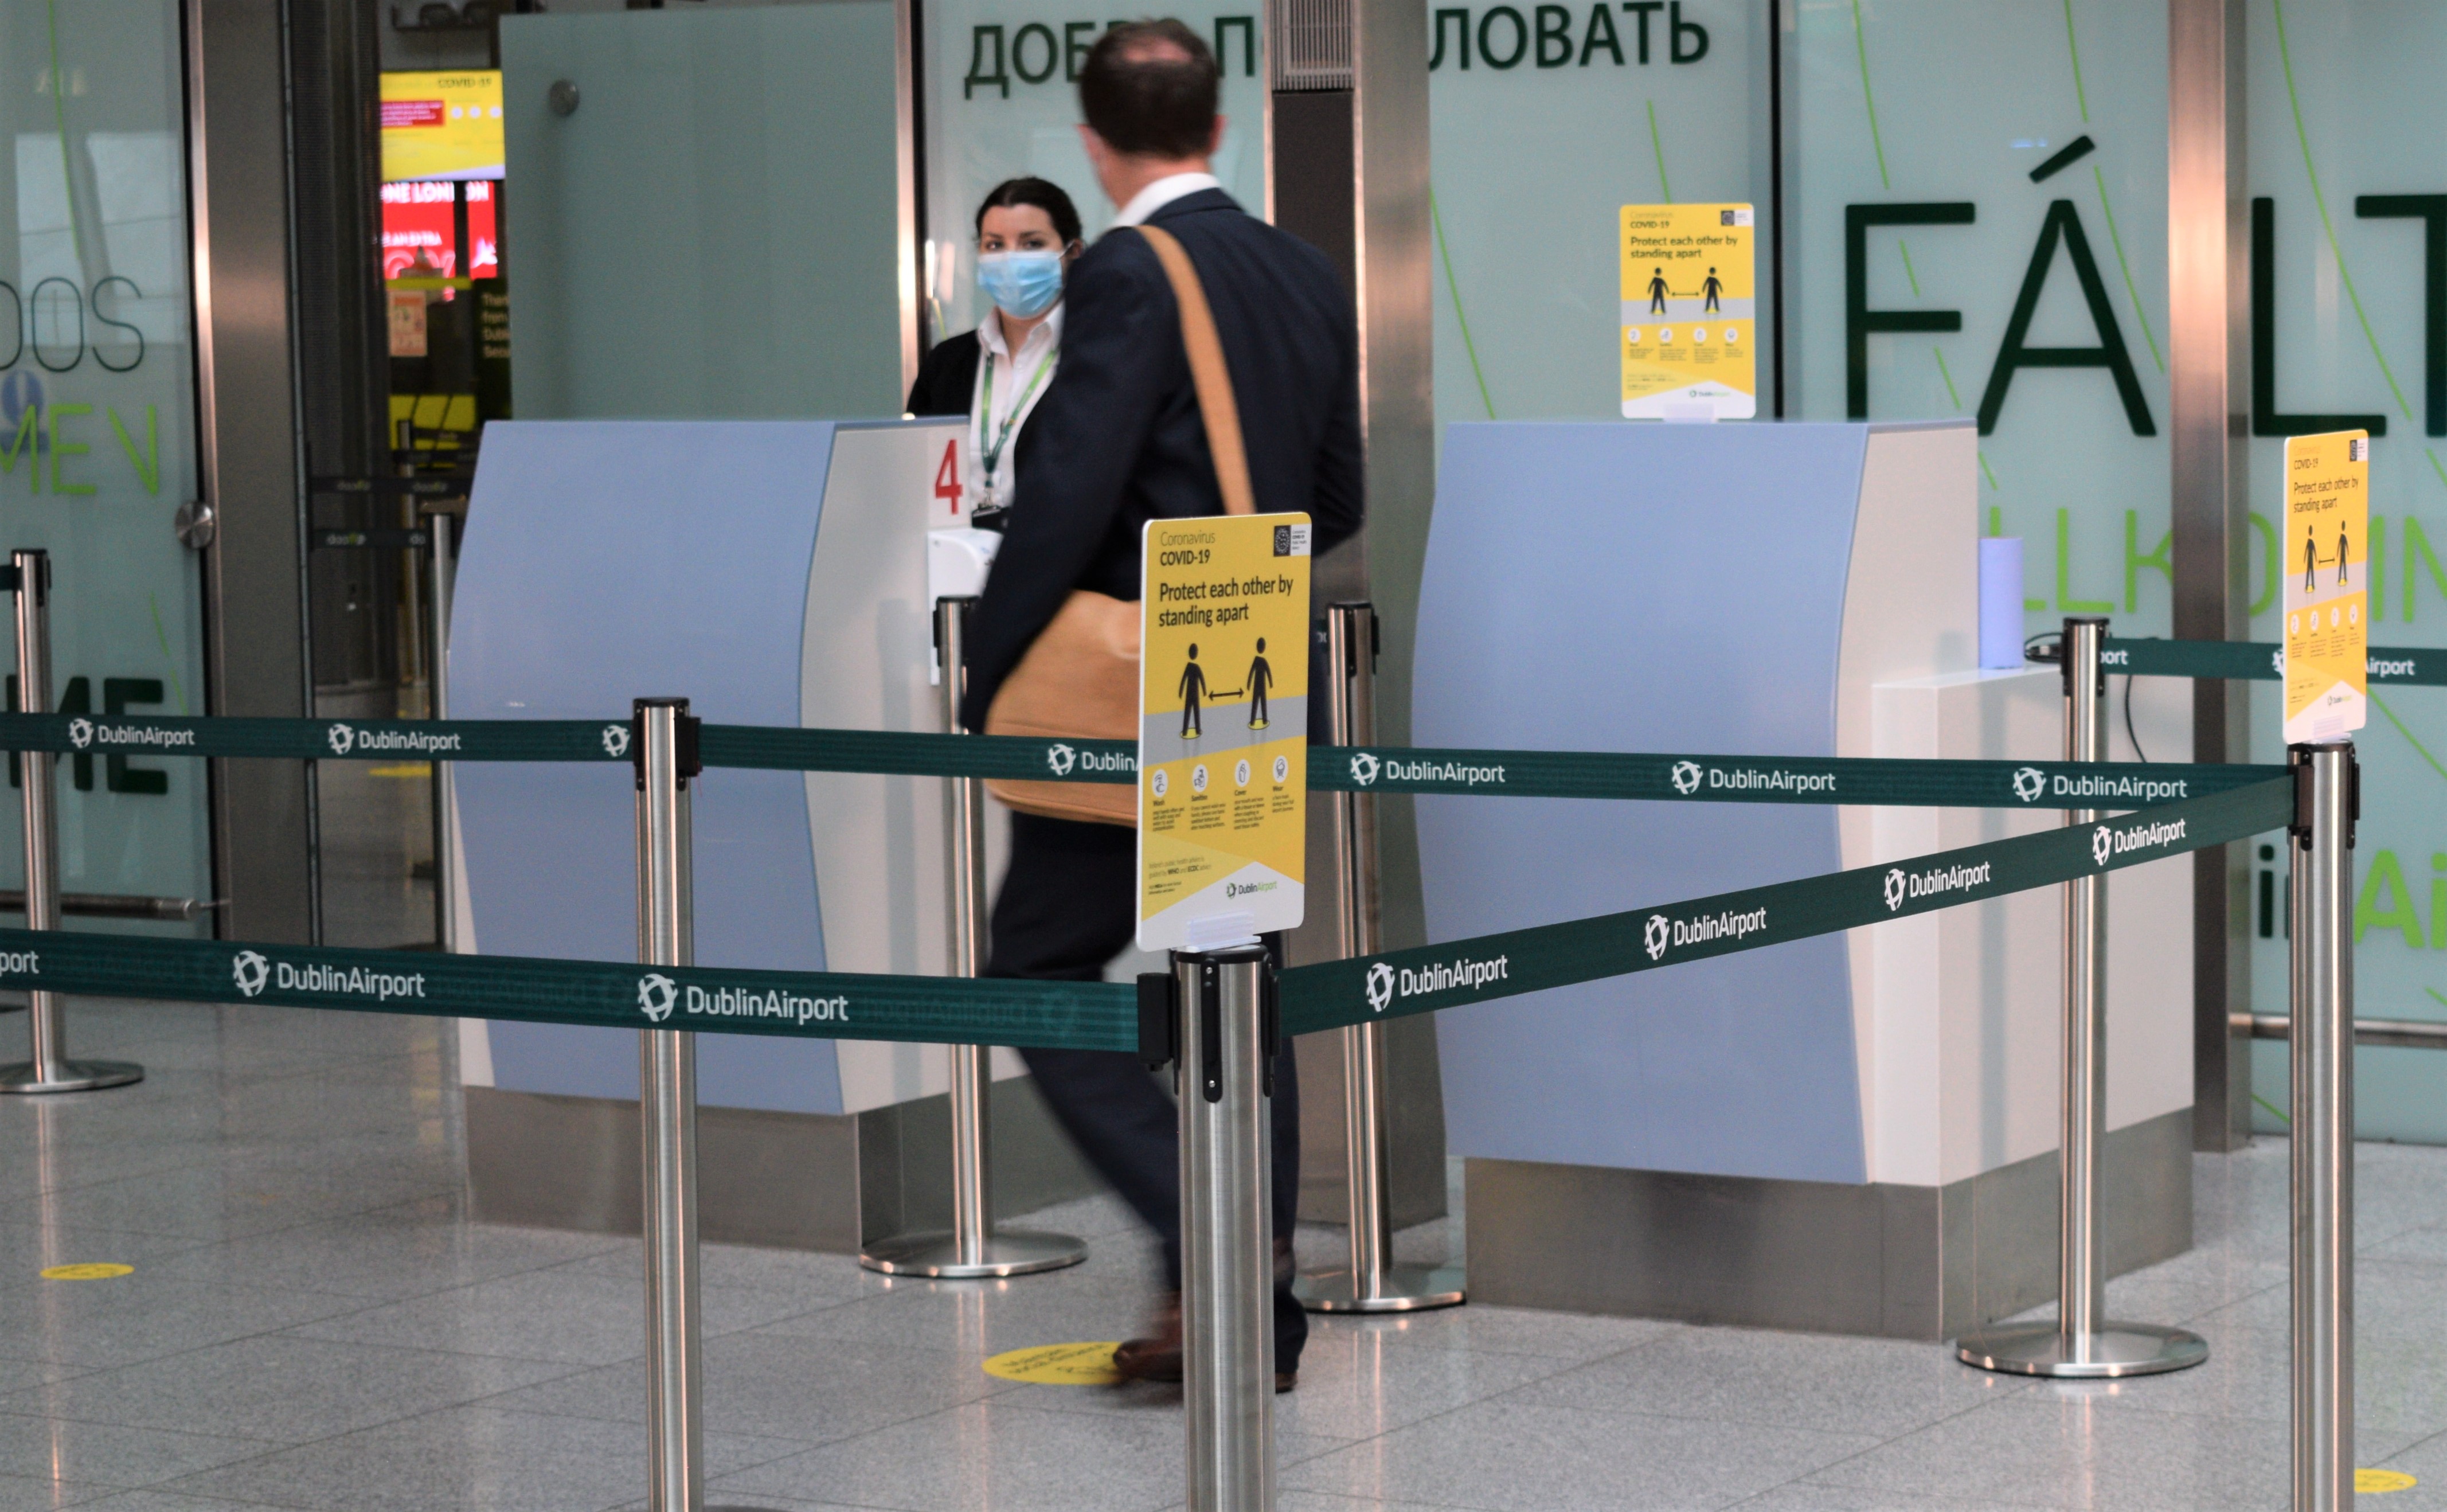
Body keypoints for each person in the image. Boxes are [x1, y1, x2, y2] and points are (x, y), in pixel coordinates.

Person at [959, 19, 1364, 1394]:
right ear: (1218, 124)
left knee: (1035, 972)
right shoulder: (1303, 267)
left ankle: (1211, 1244)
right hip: (1259, 647)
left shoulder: (1129, 269)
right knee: (1238, 986)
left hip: (1149, 677)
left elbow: (1068, 488)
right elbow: (1341, 495)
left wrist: (990, 670)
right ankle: (1252, 1311)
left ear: (1091, 140)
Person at [905, 178, 1086, 520]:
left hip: (1060, 567)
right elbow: (914, 476)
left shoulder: (1097, 356)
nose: (1010, 260)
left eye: (1032, 244)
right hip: (957, 560)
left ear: (1072, 252)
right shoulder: (947, 363)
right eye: (994, 245)